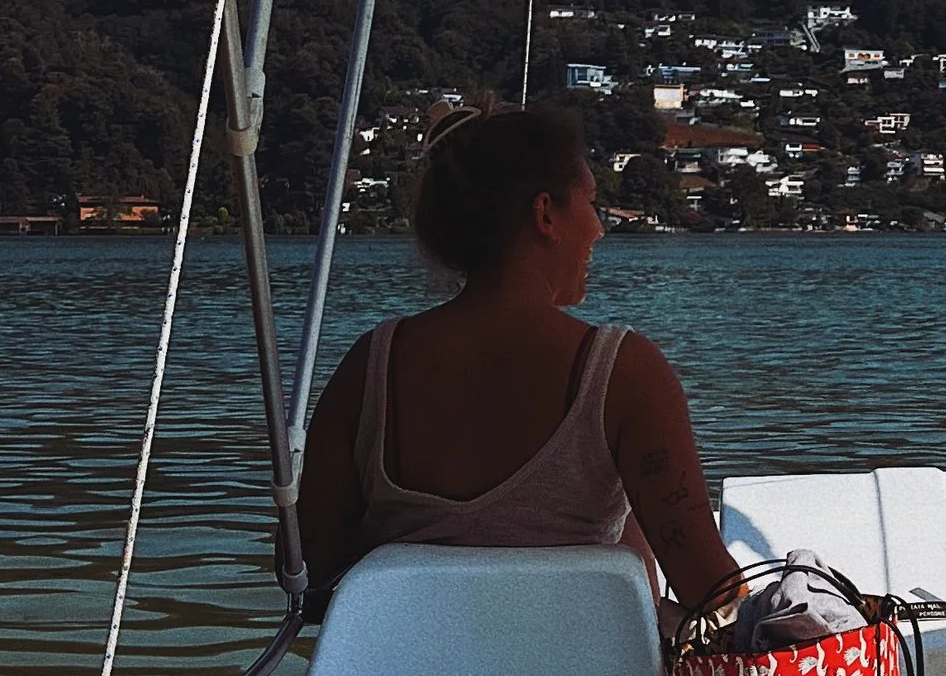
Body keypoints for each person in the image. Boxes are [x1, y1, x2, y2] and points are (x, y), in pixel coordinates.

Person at [297, 102, 742, 622]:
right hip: (586, 672)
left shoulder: (369, 367)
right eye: (590, 203)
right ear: (545, 214)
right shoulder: (622, 373)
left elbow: (309, 571)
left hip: (403, 671)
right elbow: (710, 588)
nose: (598, 229)